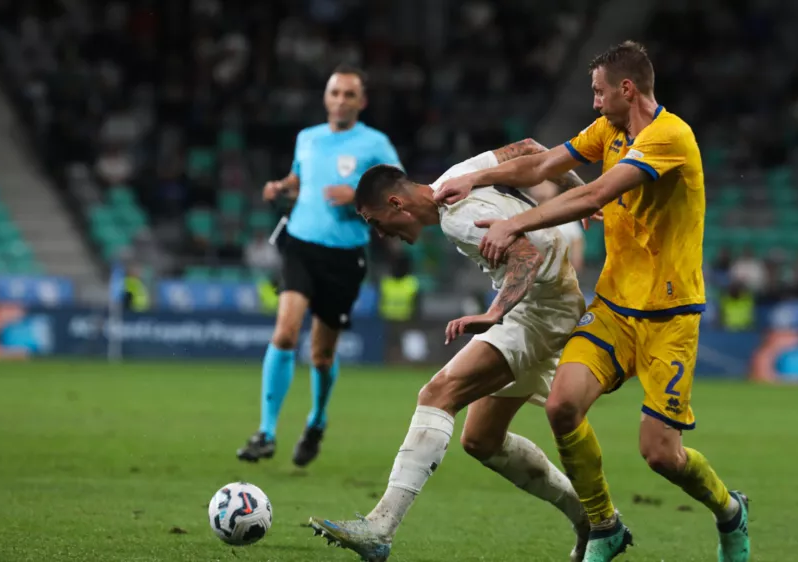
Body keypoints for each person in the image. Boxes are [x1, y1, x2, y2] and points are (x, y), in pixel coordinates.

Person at [434, 41, 750, 562]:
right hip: (613, 310)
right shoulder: (608, 130)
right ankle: (605, 526)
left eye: (600, 92)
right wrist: (474, 177)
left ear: (627, 89)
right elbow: (542, 165)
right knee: (561, 406)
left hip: (670, 319)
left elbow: (594, 194)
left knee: (661, 455)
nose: (596, 102)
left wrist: (515, 221)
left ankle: (729, 511)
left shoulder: (671, 137)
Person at [308, 139, 592, 562]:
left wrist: (494, 313)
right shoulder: (458, 176)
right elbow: (530, 148)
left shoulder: (456, 218)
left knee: (438, 394)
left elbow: (526, 258)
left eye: (375, 221)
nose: (379, 233)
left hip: (540, 310)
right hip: (546, 303)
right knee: (481, 439)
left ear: (395, 203)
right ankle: (595, 521)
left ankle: (380, 528)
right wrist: (576, 192)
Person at [237, 65, 402, 466]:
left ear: (361, 102)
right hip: (300, 244)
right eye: (335, 93)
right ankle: (267, 432)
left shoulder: (375, 144)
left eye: (349, 94)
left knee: (322, 354)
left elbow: (401, 191)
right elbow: (300, 178)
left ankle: (316, 421)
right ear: (325, 97)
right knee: (285, 332)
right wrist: (281, 187)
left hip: (345, 255)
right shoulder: (307, 139)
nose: (340, 100)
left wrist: (358, 193)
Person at [531, 181, 586, 271]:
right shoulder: (520, 214)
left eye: (548, 181)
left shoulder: (568, 220)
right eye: (539, 181)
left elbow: (577, 257)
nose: (542, 185)